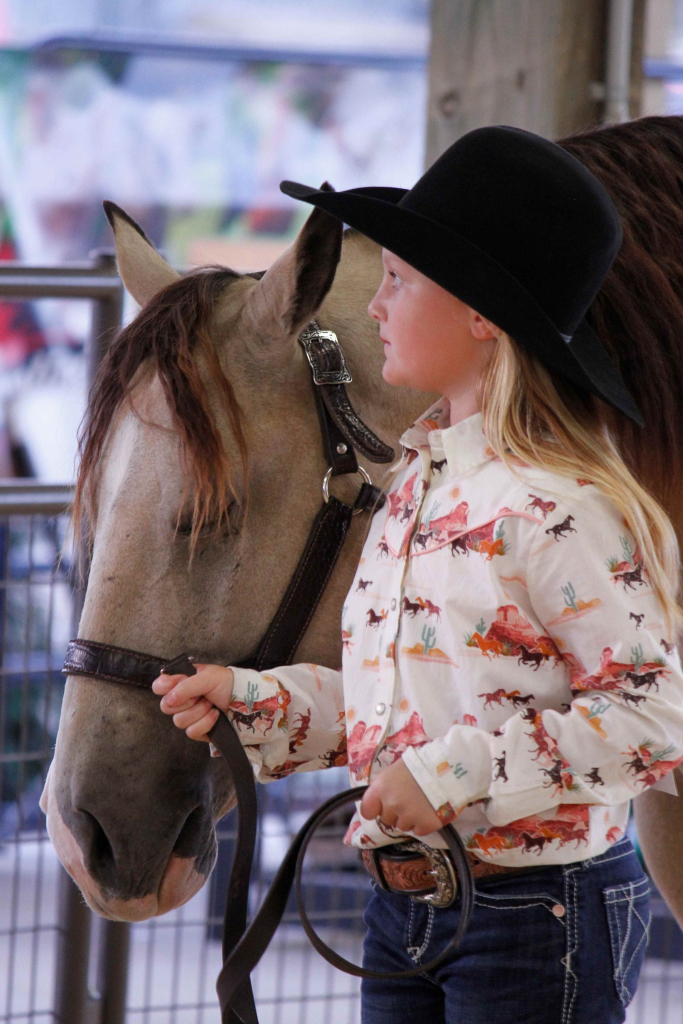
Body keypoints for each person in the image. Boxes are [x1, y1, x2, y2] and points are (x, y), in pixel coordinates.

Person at [152, 126, 683, 1023]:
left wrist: (453, 776)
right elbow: (408, 702)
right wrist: (257, 704)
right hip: (406, 905)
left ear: (480, 314)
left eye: (398, 281)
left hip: (535, 913)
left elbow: (654, 717)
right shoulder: (414, 486)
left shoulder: (564, 508)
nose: (373, 308)